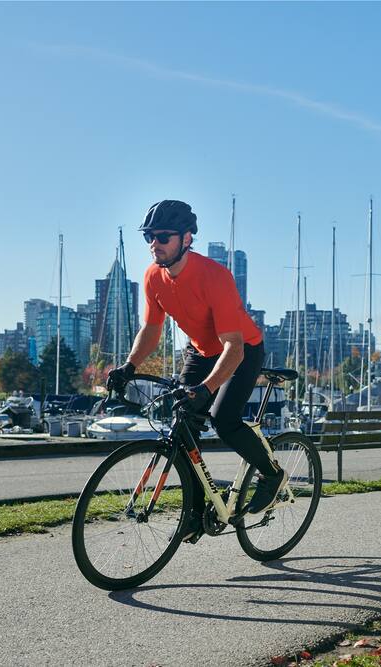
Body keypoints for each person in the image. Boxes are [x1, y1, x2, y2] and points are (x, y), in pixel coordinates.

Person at [106, 200, 287, 541]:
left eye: (163, 236)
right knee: (183, 425)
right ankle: (195, 514)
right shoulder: (152, 276)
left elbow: (233, 348)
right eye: (149, 236)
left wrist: (206, 388)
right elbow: (151, 329)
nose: (153, 244)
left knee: (224, 420)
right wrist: (129, 365)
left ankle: (270, 473)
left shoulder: (215, 277)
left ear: (186, 238)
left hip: (242, 350)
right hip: (202, 351)